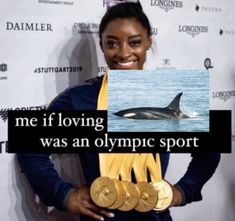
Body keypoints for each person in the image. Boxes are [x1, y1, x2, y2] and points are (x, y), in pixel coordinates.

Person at [17, 1, 220, 221]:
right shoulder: (80, 99)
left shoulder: (168, 95)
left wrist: (182, 192)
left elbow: (209, 152)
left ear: (148, 42)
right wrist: (65, 196)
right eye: (112, 43)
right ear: (101, 45)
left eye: (134, 42)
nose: (124, 53)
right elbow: (30, 147)